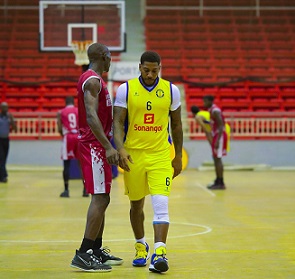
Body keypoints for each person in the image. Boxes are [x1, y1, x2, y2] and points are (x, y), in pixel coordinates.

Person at [113, 51, 183, 273]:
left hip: (161, 154)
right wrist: (120, 149)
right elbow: (117, 122)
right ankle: (140, 244)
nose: (151, 74)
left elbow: (178, 125)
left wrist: (178, 156)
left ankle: (160, 251)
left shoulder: (171, 90)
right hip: (133, 155)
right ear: (139, 67)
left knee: (161, 203)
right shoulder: (126, 89)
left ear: (160, 68)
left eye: (155, 70)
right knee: (136, 205)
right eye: (147, 70)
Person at [70, 43, 123, 272]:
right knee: (99, 198)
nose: (112, 61)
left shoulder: (97, 80)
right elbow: (91, 116)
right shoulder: (91, 80)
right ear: (104, 56)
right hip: (93, 145)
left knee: (104, 197)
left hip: (97, 145)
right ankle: (83, 253)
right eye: (110, 57)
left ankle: (96, 248)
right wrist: (107, 147)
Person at [57, 96, 88, 197]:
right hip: (78, 137)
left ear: (65, 102)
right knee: (82, 164)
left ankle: (66, 190)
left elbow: (59, 128)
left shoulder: (61, 112)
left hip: (68, 137)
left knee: (66, 164)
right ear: (73, 102)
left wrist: (63, 135)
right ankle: (85, 190)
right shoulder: (78, 110)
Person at [202, 95, 228, 190]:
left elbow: (221, 125)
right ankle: (218, 180)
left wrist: (217, 140)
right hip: (217, 134)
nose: (203, 103)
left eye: (205, 101)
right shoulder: (212, 110)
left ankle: (221, 182)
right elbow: (216, 123)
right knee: (215, 157)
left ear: (209, 101)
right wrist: (208, 122)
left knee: (218, 158)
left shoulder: (215, 111)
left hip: (219, 135)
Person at [0, 102, 16, 183]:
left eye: (7, 107)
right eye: (4, 107)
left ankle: (2, 175)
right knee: (1, 158)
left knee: (4, 158)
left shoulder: (9, 117)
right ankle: (3, 176)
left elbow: (15, 129)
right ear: (1, 108)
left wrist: (12, 120)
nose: (6, 109)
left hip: (6, 139)